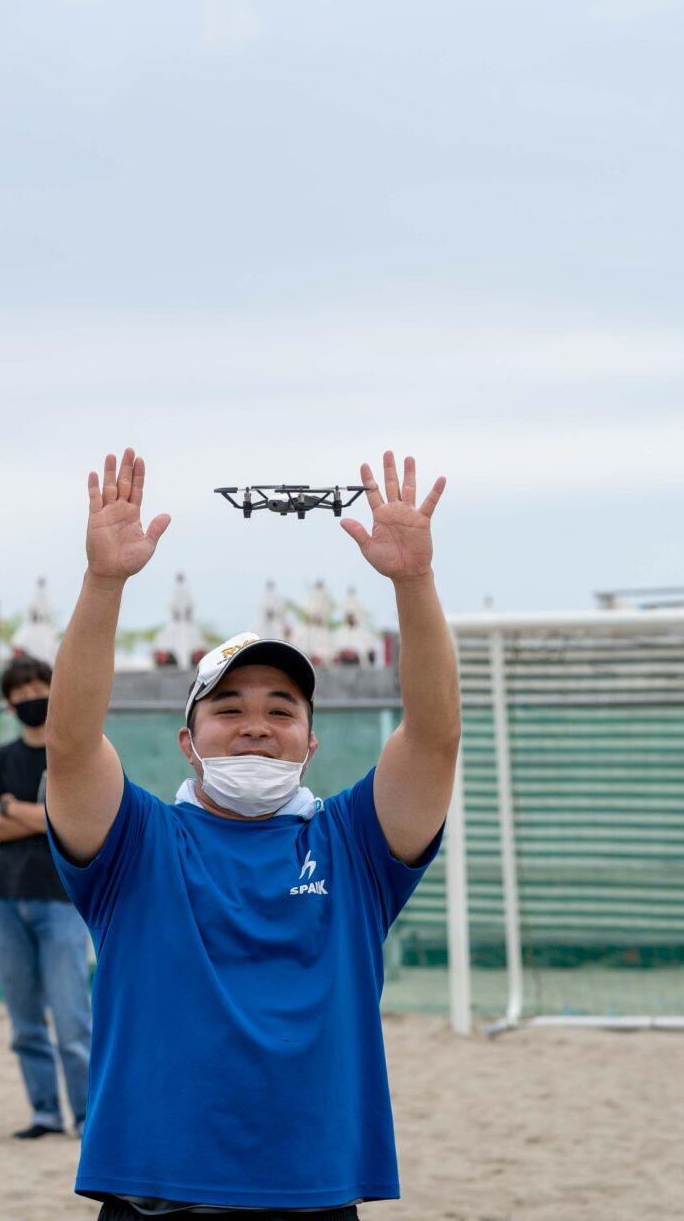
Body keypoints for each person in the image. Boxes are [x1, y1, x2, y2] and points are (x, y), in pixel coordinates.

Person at [45, 448, 459, 1218]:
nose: (255, 727)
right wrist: (104, 584)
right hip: (153, 1192)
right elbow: (69, 745)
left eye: (281, 710)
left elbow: (434, 739)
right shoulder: (138, 844)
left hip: (312, 1191)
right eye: (229, 709)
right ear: (188, 740)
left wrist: (413, 583)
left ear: (311, 742)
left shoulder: (354, 846)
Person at [0, 655, 91, 1140]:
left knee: (73, 1021)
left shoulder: (72, 756)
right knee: (25, 1022)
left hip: (61, 899)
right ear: (8, 705)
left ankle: (89, 1116)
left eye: (37, 690)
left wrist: (13, 809)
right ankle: (44, 1112)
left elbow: (72, 821)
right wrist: (41, 813)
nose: (30, 701)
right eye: (19, 696)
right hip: (5, 900)